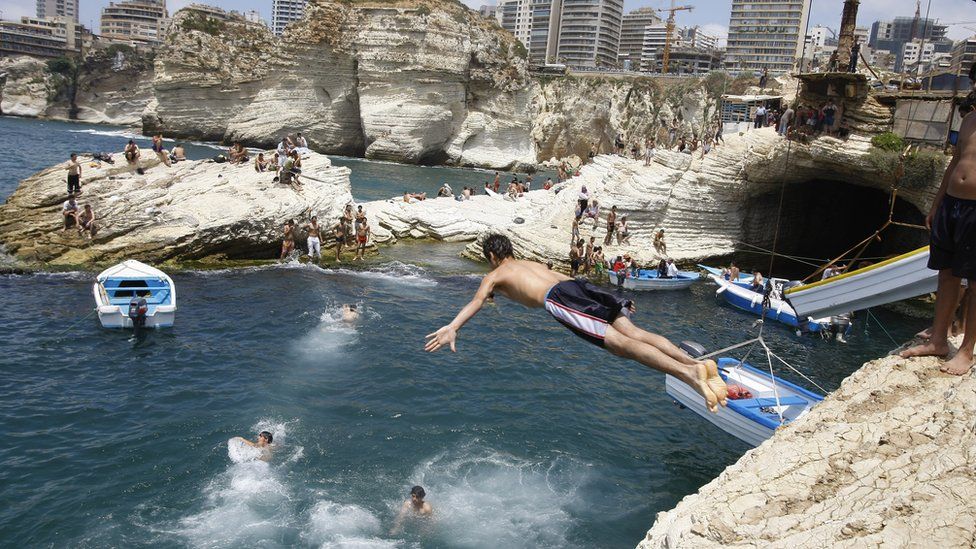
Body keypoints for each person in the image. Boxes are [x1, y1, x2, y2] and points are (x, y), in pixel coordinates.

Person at [425, 234, 728, 412]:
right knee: (636, 332)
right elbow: (574, 281)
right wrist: (612, 298)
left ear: (492, 256)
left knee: (621, 346)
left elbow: (476, 302)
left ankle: (690, 374)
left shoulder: (493, 276)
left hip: (559, 301)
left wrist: (453, 327)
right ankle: (698, 363)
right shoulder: (530, 264)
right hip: (577, 289)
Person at [900, 77, 976, 376]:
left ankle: (967, 351)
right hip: (953, 205)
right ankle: (939, 340)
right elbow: (955, 161)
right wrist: (936, 203)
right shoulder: (970, 119)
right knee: (947, 274)